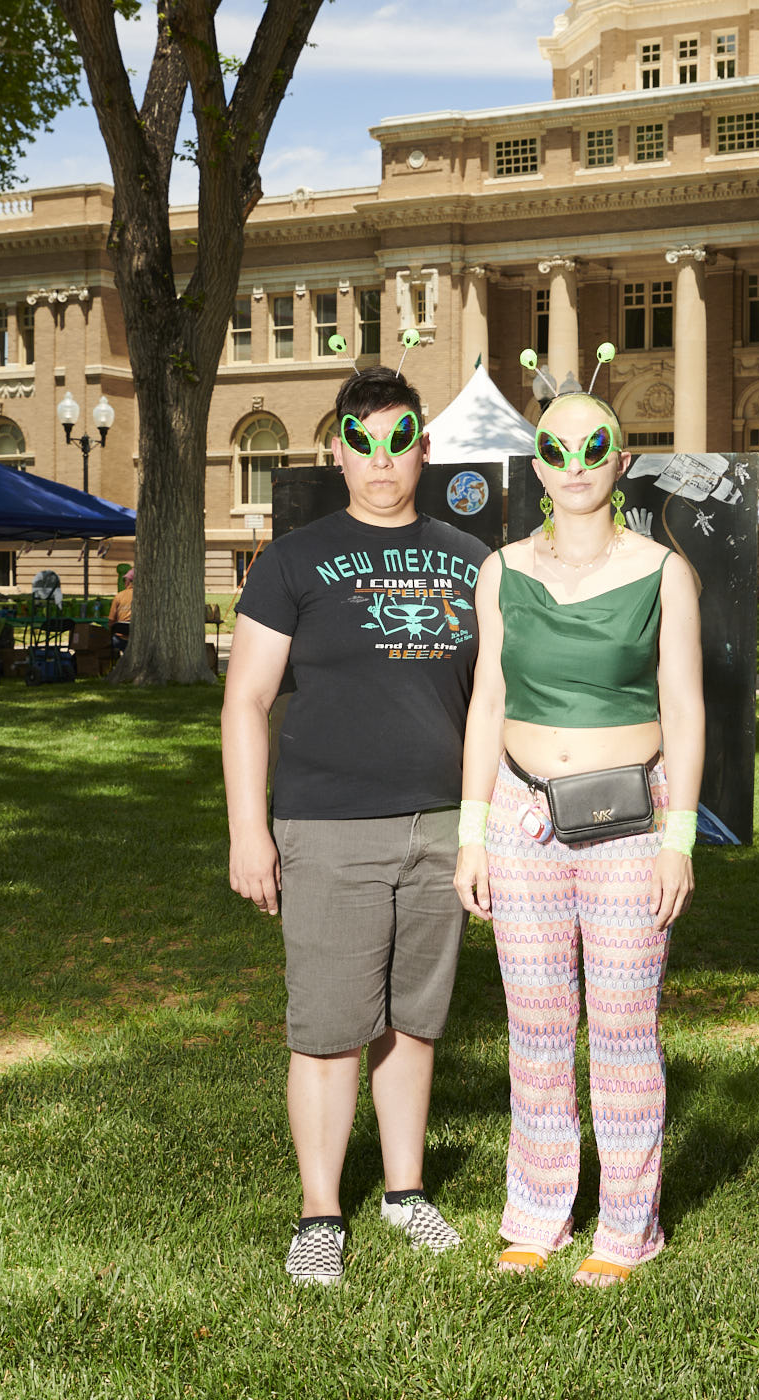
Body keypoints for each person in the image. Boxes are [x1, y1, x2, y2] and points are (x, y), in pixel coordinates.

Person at [222, 365, 489, 1287]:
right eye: (362, 440)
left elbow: (497, 702)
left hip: (443, 827)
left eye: (400, 438)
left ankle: (407, 1193)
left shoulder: (471, 557)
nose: (382, 460)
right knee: (330, 1029)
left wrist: (485, 827)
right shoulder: (292, 560)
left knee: (413, 1025)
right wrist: (245, 831)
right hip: (326, 828)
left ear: (425, 447)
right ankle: (321, 1212)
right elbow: (247, 701)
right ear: (335, 449)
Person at [454, 391, 704, 1287]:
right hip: (520, 820)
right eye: (556, 447)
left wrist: (680, 839)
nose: (576, 461)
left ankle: (628, 1228)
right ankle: (537, 1212)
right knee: (537, 1026)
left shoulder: (664, 571)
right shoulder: (501, 569)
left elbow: (685, 706)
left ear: (623, 458)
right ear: (537, 462)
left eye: (595, 445)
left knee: (627, 1028)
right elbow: (486, 704)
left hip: (632, 823)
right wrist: (472, 834)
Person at [108, 566, 134, 650]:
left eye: (125, 580)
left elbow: (111, 620)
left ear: (129, 582)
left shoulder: (119, 596)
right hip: (137, 638)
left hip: (119, 639)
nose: (124, 583)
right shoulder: (145, 597)